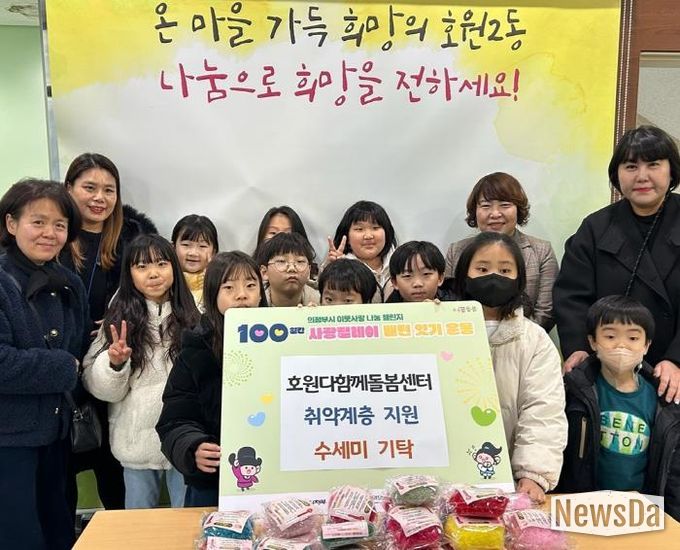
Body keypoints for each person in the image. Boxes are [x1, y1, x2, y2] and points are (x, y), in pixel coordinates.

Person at [553, 125, 680, 404]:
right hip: (607, 370)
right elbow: (571, 296)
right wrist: (578, 348)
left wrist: (676, 360)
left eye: (653, 164)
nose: (642, 176)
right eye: (631, 166)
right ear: (617, 174)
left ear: (671, 170)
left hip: (672, 373)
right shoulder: (595, 227)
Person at [61, 152, 156, 513]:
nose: (99, 198)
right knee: (63, 468)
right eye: (89, 188)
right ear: (69, 189)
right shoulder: (54, 237)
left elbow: (151, 292)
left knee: (113, 468)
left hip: (116, 365)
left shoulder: (132, 239)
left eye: (108, 189)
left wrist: (122, 317)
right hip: (64, 366)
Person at [0, 179, 89, 549]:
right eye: (38, 222)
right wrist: (65, 367)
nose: (49, 233)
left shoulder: (69, 282)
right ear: (11, 223)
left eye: (59, 225)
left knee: (59, 531)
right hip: (10, 440)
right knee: (19, 536)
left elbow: (81, 346)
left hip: (57, 434)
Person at [81, 234, 200, 509]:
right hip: (134, 441)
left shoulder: (195, 318)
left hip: (184, 439)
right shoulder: (117, 320)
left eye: (161, 264)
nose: (153, 273)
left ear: (174, 267)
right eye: (142, 266)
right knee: (137, 518)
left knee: (186, 516)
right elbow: (100, 388)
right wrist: (114, 363)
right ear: (129, 273)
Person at [451, 232, 567, 502]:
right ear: (464, 274)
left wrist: (532, 473)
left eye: (505, 270)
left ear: (519, 279)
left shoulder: (534, 339)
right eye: (482, 269)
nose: (493, 277)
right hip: (449, 477)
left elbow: (543, 410)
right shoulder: (440, 329)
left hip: (511, 482)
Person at [157, 251, 267, 506]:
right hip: (213, 481)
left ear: (261, 294)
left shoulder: (283, 338)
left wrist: (307, 328)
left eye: (251, 286)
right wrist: (192, 446)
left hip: (274, 475)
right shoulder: (197, 349)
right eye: (229, 287)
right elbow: (174, 420)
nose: (242, 295)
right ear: (212, 295)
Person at [557, 295, 680, 520]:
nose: (621, 345)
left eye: (633, 338)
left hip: (640, 512)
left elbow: (671, 470)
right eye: (610, 336)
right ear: (593, 342)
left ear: (646, 345)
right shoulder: (574, 391)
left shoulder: (661, 401)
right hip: (583, 508)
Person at [445, 172, 558, 331]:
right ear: (475, 210)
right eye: (486, 206)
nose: (495, 214)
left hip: (525, 340)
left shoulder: (542, 251)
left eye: (504, 205)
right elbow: (449, 304)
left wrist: (517, 338)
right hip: (468, 338)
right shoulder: (456, 251)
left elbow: (545, 312)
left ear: (518, 209)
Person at [326, 200, 397, 302]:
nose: (368, 236)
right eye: (359, 229)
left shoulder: (402, 264)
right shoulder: (339, 266)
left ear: (387, 232)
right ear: (347, 236)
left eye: (375, 228)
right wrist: (334, 269)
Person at [256, 232, 319, 306]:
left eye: (300, 261)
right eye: (281, 261)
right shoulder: (253, 306)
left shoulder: (323, 304)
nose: (292, 269)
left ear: (309, 271)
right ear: (264, 272)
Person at [254, 205, 318, 278]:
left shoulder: (312, 278)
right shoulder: (251, 273)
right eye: (273, 233)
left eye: (288, 233)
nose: (280, 239)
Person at [171, 214, 219, 308]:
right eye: (186, 245)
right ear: (173, 248)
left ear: (214, 252)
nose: (193, 253)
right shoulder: (165, 283)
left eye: (202, 246)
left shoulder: (220, 284)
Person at [387, 241, 455, 302]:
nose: (418, 284)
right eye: (407, 276)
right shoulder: (386, 309)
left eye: (426, 274)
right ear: (395, 282)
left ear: (440, 278)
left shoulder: (455, 307)